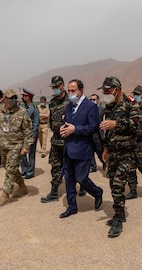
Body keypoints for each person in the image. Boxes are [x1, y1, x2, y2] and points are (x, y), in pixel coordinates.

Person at [98, 77, 139, 238]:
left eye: (107, 91)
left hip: (127, 153)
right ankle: (120, 212)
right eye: (104, 91)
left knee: (118, 184)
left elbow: (138, 124)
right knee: (112, 182)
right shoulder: (110, 105)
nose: (105, 94)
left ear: (117, 89)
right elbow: (108, 131)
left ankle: (117, 219)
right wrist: (106, 148)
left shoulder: (131, 104)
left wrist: (117, 124)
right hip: (113, 152)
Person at [58, 79, 103, 218]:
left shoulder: (90, 106)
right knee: (69, 179)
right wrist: (63, 127)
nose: (70, 93)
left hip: (83, 149)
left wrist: (75, 129)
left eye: (73, 91)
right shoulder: (69, 106)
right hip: (68, 149)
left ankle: (97, 192)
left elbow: (93, 127)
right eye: (69, 91)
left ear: (81, 90)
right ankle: (72, 207)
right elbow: (67, 122)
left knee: (81, 178)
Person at [0, 89, 33, 208]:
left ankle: (5, 195)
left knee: (10, 169)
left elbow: (28, 132)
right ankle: (22, 186)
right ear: (5, 99)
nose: (13, 101)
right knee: (9, 167)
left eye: (15, 98)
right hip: (3, 145)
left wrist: (26, 147)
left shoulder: (22, 112)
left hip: (16, 145)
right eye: (10, 99)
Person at [41, 76, 70, 203]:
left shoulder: (71, 101)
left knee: (73, 166)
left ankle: (80, 187)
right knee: (55, 166)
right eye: (53, 87)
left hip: (70, 140)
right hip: (56, 140)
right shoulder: (52, 103)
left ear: (62, 86)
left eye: (57, 87)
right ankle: (54, 192)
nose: (55, 89)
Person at [20, 88, 39, 179]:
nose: (23, 97)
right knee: (21, 153)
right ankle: (24, 170)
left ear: (29, 97)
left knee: (31, 153)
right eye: (23, 95)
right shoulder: (22, 108)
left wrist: (34, 136)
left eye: (25, 96)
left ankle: (30, 172)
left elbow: (36, 123)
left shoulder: (34, 109)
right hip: (22, 134)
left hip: (31, 134)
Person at [89, 94, 106, 172]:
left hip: (98, 133)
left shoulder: (101, 109)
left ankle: (105, 162)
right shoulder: (87, 109)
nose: (92, 101)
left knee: (100, 150)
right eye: (91, 99)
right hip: (90, 134)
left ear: (97, 100)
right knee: (90, 151)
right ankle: (93, 166)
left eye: (94, 99)